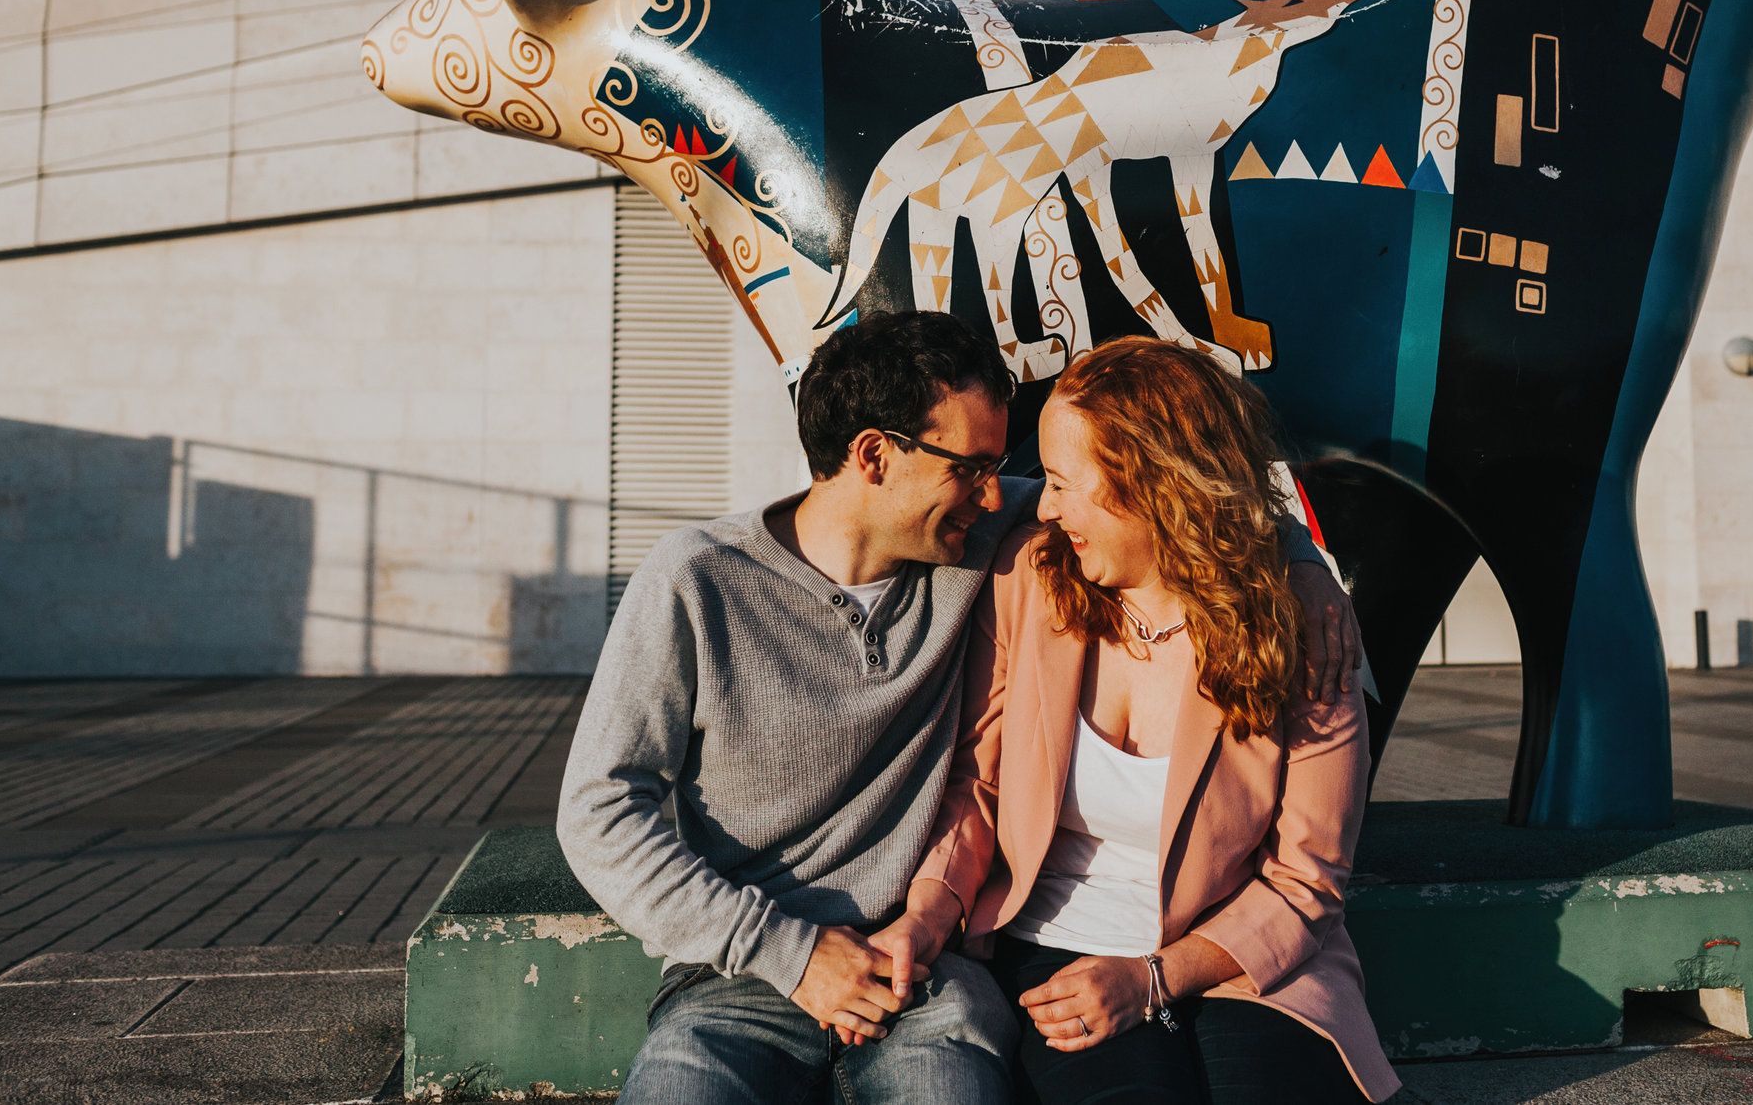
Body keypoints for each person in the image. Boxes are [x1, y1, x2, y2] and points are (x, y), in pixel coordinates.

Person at [558, 311, 1362, 1105]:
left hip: (930, 971)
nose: (1002, 492)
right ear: (874, 454)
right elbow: (598, 813)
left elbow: (1181, 489)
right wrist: (790, 953)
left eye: (1001, 467)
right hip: (740, 974)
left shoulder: (979, 545)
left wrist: (1300, 562)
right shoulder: (697, 580)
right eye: (972, 465)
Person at [888, 335, 1399, 1104]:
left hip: (1243, 961)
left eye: (1062, 481)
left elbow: (1307, 877)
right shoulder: (1029, 578)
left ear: (1153, 485)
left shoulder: (1298, 626)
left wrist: (1154, 977)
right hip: (1056, 951)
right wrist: (926, 915)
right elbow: (980, 786)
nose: (1043, 503)